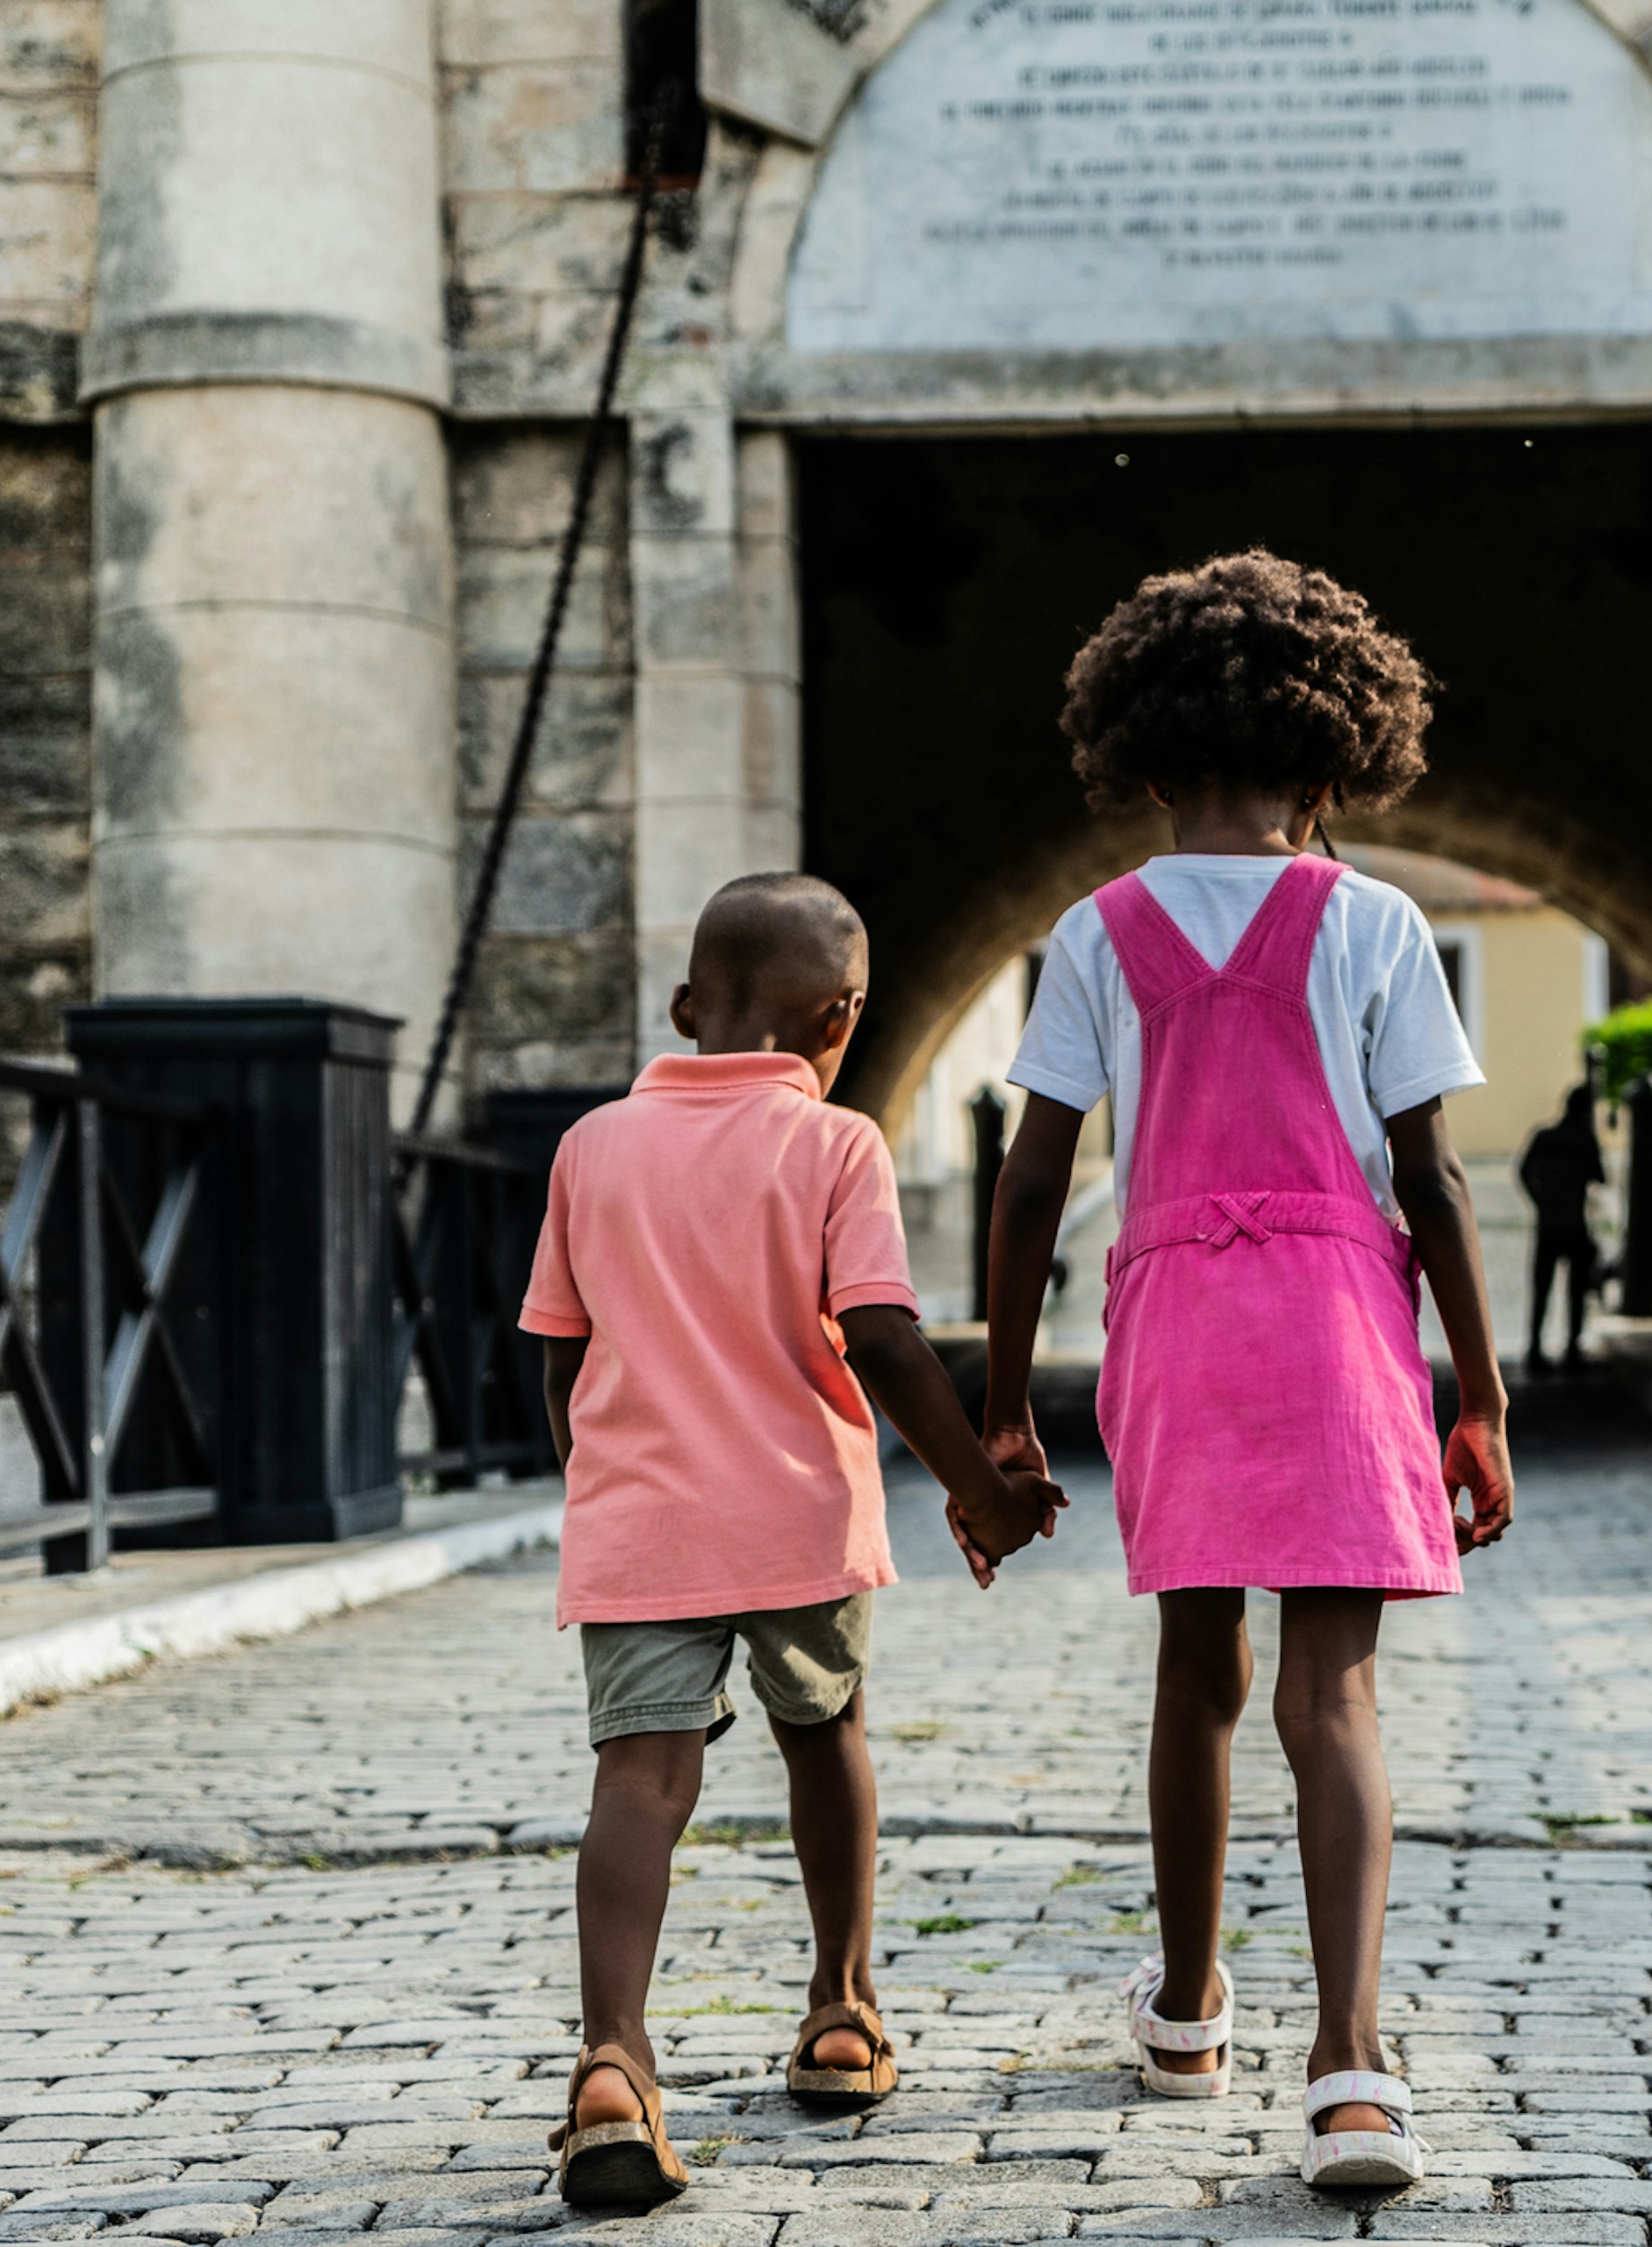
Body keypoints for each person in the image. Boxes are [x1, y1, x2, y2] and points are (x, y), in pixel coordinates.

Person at [979, 550, 1517, 2195]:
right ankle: (1351, 2069)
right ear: (1336, 761)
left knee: (1193, 1669)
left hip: (1178, 1331)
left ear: (1137, 760)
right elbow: (1431, 1180)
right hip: (1341, 1320)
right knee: (1331, 1693)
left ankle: (1193, 2010)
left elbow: (1033, 1173)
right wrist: (1478, 1393)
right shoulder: (1374, 920)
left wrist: (1003, 1399)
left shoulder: (1096, 931)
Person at [520, 872, 1065, 2213]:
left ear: (686, 1004)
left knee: (637, 1785)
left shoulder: (591, 1146)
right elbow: (878, 1335)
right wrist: (980, 1494)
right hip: (799, 1516)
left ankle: (611, 2062)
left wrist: (599, 1488)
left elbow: (557, 1356)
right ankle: (839, 2008)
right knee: (827, 1738)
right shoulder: (836, 1147)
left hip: (639, 1519)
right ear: (845, 1017)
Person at [1517, 1083, 1605, 1373]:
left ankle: (1535, 1347)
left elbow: (1523, 1171)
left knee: (1542, 1289)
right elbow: (1600, 1177)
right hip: (1575, 1224)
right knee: (1575, 1292)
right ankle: (1572, 1348)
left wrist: (1540, 1200)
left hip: (1548, 1223)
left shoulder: (1545, 1137)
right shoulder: (1584, 1142)